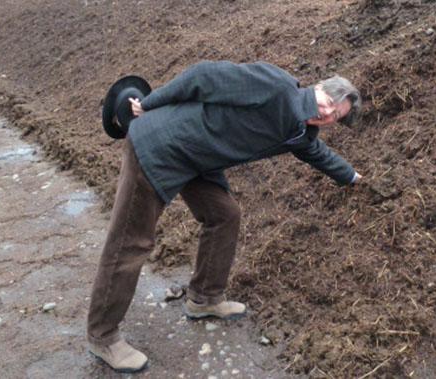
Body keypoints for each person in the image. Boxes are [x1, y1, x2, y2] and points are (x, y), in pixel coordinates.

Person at [87, 60, 362, 372]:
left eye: (334, 117)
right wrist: (148, 105)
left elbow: (318, 155)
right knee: (131, 241)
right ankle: (103, 334)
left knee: (224, 214)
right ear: (320, 88)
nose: (326, 115)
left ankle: (204, 298)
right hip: (161, 145)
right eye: (328, 104)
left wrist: (352, 177)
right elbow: (203, 77)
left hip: (198, 160)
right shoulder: (277, 85)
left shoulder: (302, 132)